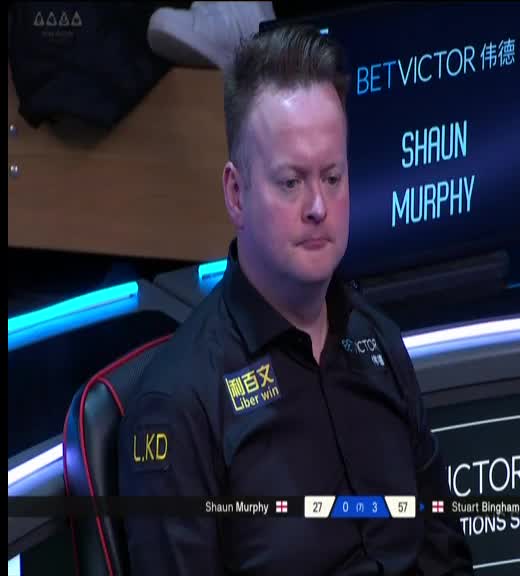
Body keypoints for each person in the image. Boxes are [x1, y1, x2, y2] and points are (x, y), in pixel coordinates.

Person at [118, 24, 473, 575]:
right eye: (291, 182)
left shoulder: (378, 338)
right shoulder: (179, 404)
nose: (317, 207)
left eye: (333, 177)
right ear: (236, 193)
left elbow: (443, 549)